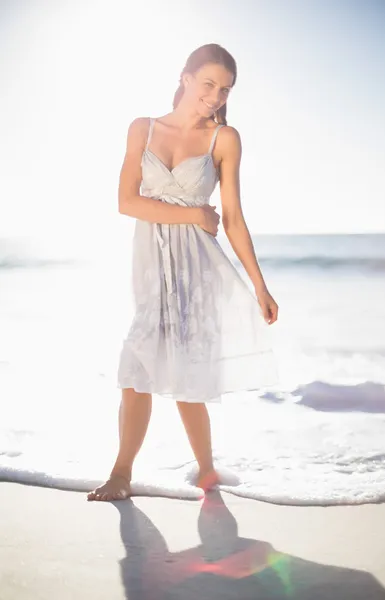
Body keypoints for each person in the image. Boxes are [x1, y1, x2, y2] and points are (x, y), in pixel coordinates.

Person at [87, 43, 279, 502]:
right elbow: (125, 202)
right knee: (136, 366)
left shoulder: (224, 139)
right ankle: (120, 474)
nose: (215, 96)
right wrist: (194, 215)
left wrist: (259, 284)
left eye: (225, 89)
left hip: (198, 270)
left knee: (188, 375)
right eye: (209, 83)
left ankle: (208, 474)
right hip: (150, 267)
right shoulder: (142, 129)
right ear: (186, 77)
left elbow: (231, 218)